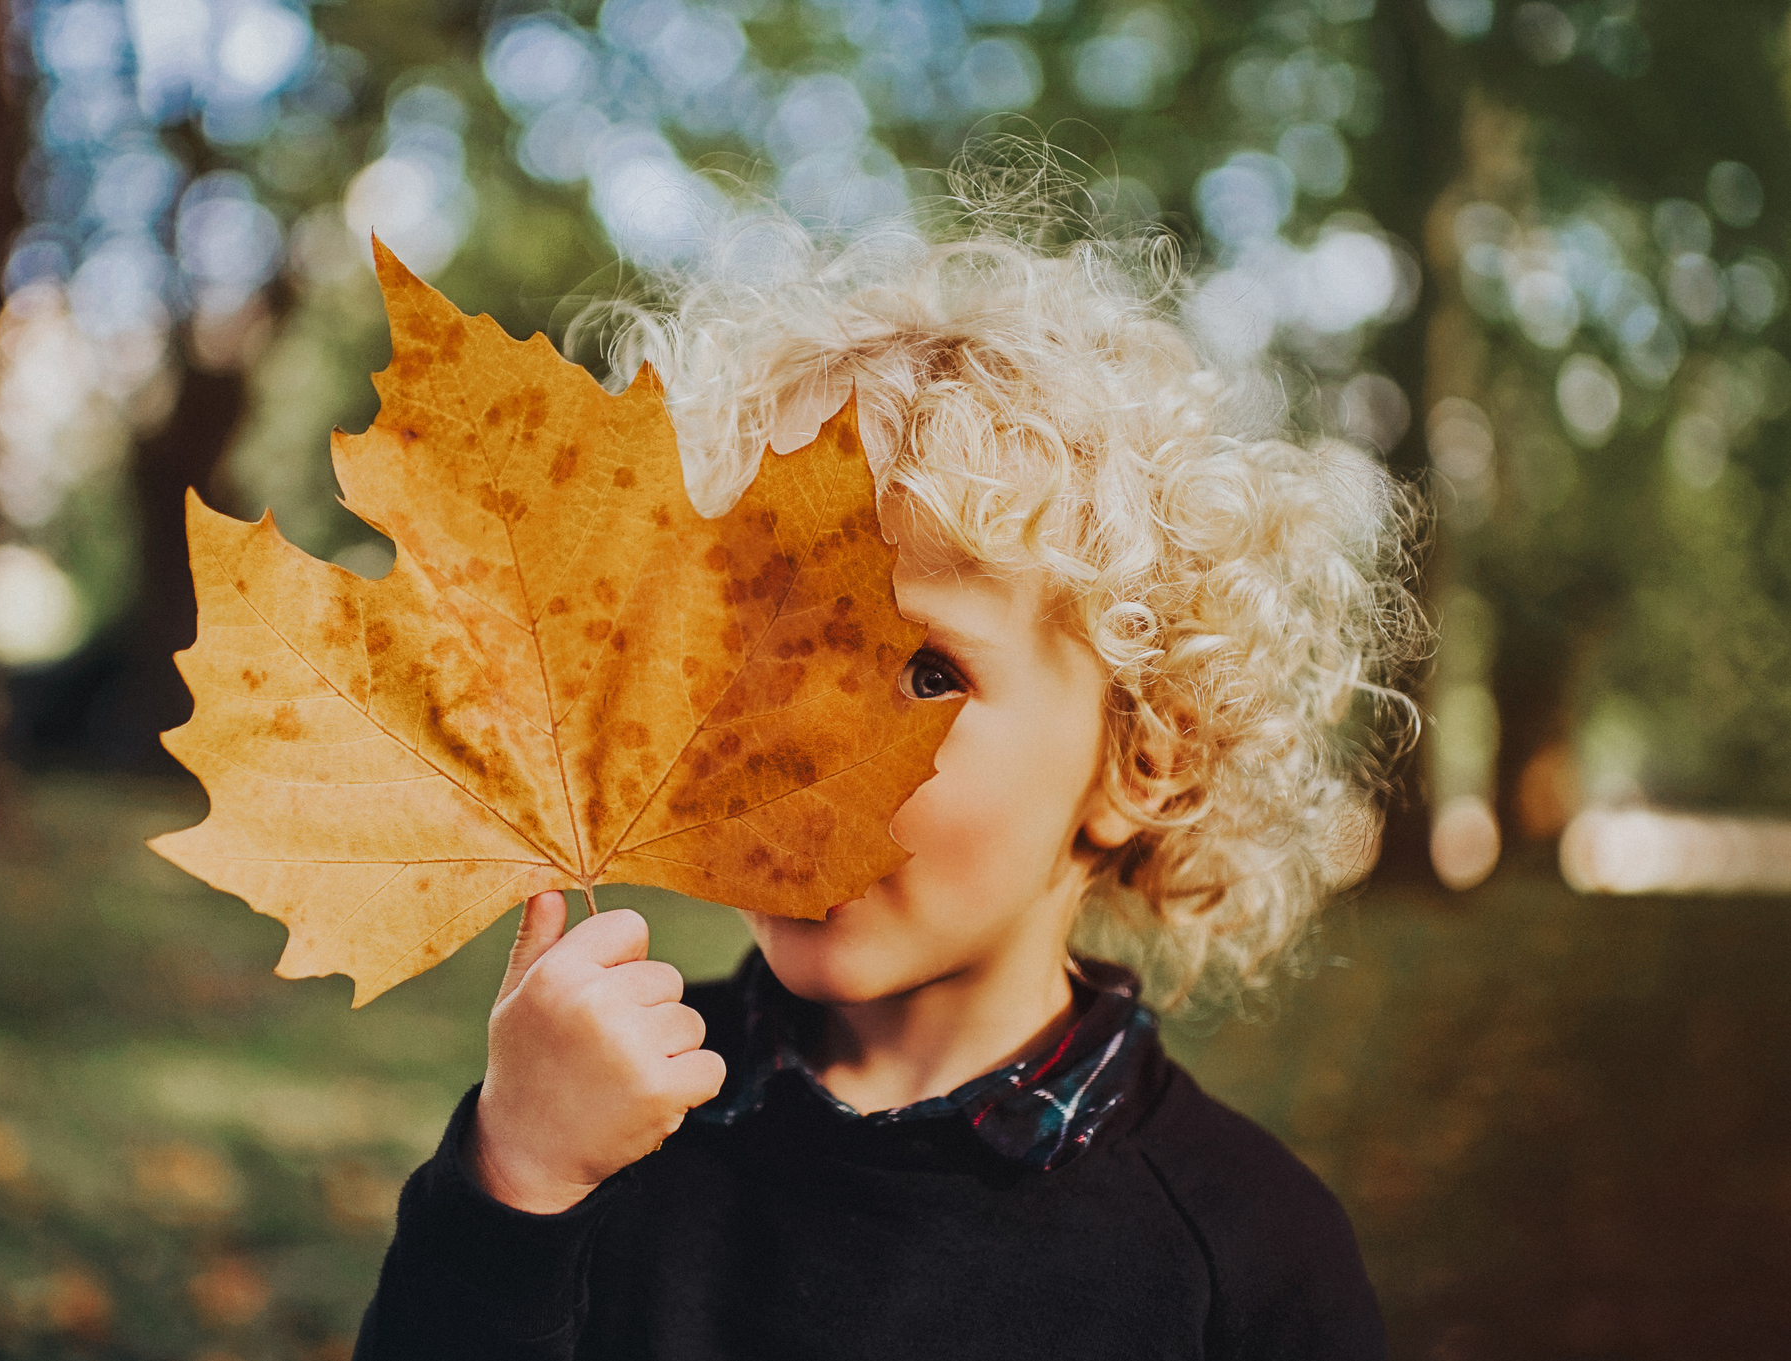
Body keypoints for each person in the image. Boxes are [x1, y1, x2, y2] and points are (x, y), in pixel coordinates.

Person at [352, 169, 1421, 1360]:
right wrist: (516, 1179)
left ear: (1142, 763)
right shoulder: (596, 1119)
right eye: (753, 651)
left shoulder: (1247, 1256)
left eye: (925, 672)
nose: (798, 737)